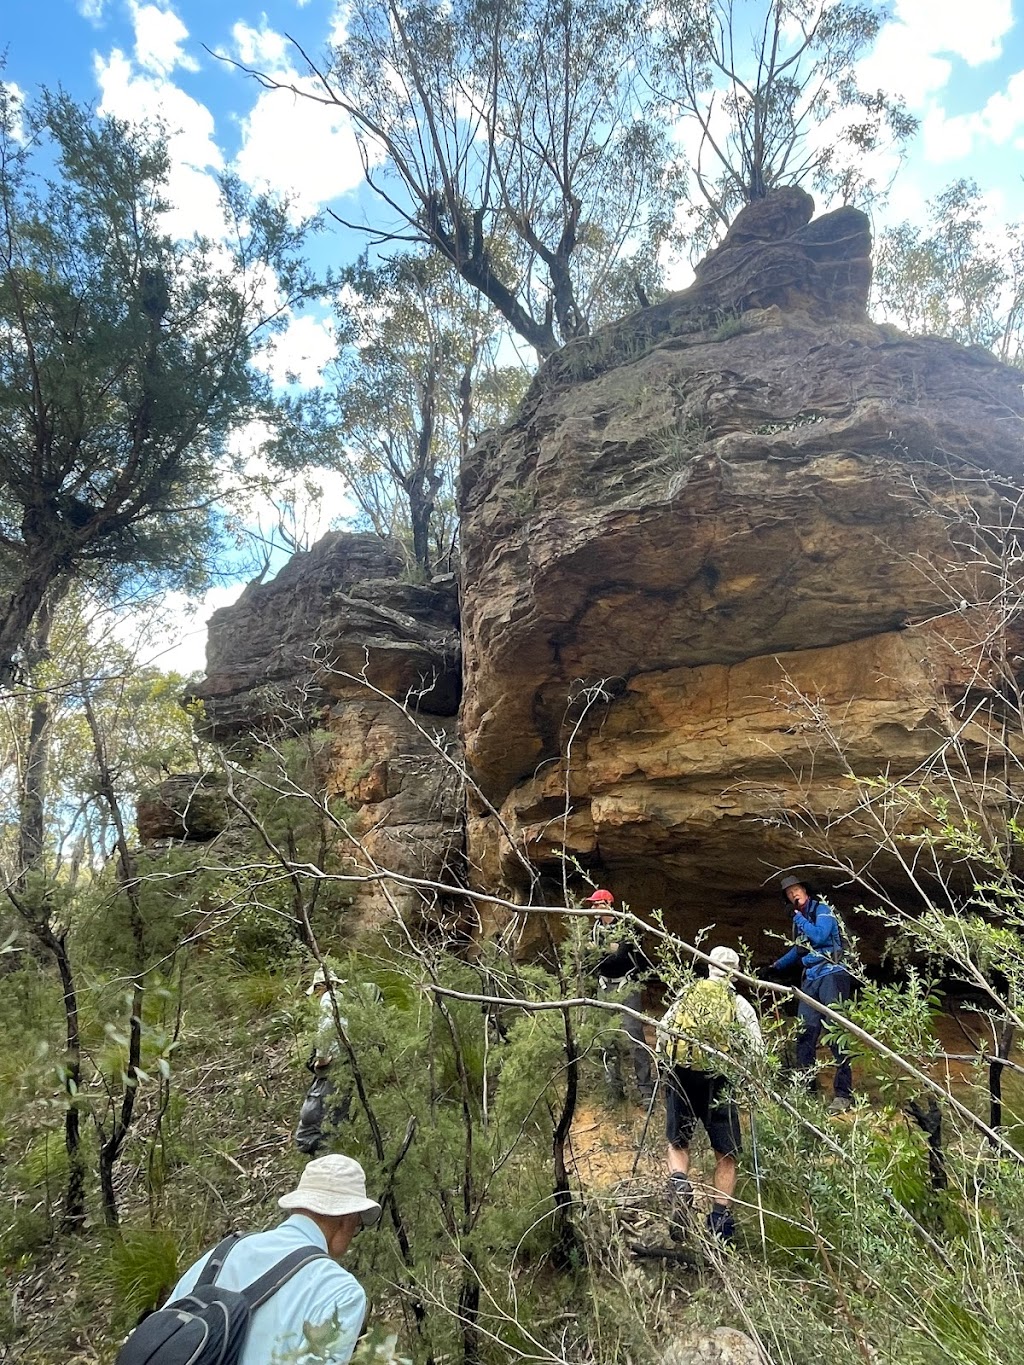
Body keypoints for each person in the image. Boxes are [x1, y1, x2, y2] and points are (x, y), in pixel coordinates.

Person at [168, 1154, 380, 1365]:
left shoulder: (223, 1253)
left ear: (297, 1206)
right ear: (349, 1220)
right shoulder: (342, 1292)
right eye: (357, 1226)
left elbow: (159, 1331)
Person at [658, 946, 763, 1245]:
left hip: (681, 1072)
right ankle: (720, 1222)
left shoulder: (687, 996)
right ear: (735, 973)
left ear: (708, 967)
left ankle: (679, 1186)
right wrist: (748, 1078)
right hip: (719, 1080)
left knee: (678, 1141)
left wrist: (663, 1065)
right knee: (726, 1154)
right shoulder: (739, 1004)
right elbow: (756, 1051)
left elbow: (664, 1032)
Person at [767, 875, 854, 1113]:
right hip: (812, 978)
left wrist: (798, 917)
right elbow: (799, 950)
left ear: (805, 891)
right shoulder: (799, 921)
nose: (793, 895)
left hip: (832, 974)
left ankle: (844, 1094)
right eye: (788, 893)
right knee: (804, 1033)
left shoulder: (823, 910)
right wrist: (775, 967)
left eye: (796, 890)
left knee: (836, 1032)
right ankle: (807, 1091)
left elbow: (819, 937)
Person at [585, 888, 654, 1103]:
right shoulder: (594, 930)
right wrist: (607, 951)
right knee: (608, 1036)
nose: (593, 908)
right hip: (605, 986)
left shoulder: (626, 927)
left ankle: (645, 1089)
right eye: (592, 905)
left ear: (608, 904)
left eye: (597, 904)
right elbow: (588, 959)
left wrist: (600, 952)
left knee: (634, 1033)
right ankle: (615, 1090)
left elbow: (622, 957)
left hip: (626, 985)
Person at [295, 967, 356, 1154]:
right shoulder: (342, 1001)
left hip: (331, 1070)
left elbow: (327, 1030)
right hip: (345, 1068)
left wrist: (321, 1060)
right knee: (335, 1119)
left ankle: (325, 1158)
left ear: (321, 986)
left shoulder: (328, 999)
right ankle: (337, 1156)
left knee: (307, 1135)